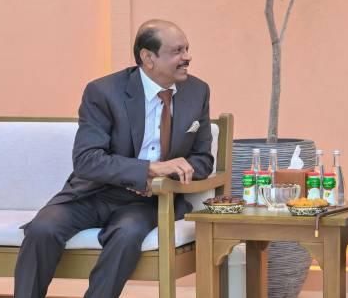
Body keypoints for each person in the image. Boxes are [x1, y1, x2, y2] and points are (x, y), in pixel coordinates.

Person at [14, 20, 214, 298]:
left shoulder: (197, 92)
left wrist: (166, 175)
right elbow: (87, 159)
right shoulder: (104, 92)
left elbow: (203, 159)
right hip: (93, 193)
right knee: (42, 229)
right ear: (148, 58)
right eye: (177, 51)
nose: (187, 57)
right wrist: (148, 169)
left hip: (149, 201)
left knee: (126, 235)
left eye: (187, 49)